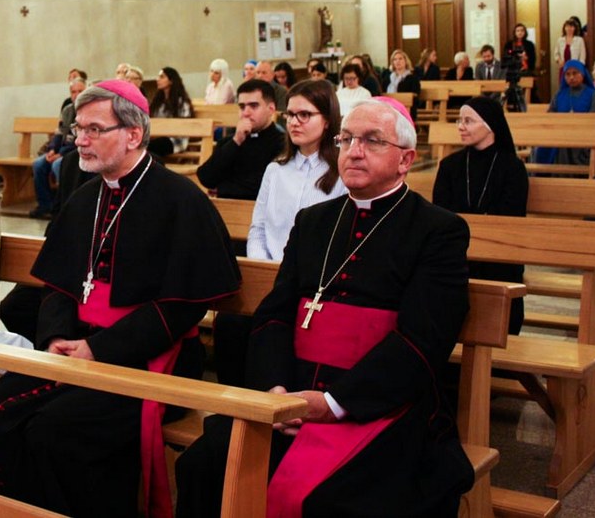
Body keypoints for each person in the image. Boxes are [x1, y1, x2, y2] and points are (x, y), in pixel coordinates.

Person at [176, 99, 473, 518]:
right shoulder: (314, 221)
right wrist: (275, 389)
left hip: (380, 404)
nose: (354, 150)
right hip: (291, 397)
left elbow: (423, 340)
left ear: (406, 160)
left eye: (372, 141)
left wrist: (333, 403)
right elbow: (274, 315)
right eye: (347, 139)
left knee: (333, 499)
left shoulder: (438, 232)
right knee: (204, 464)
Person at [0, 80, 240, 517]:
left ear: (133, 134)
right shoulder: (84, 198)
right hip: (75, 347)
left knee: (55, 432)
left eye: (94, 129)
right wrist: (56, 337)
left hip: (151, 360)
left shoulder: (181, 201)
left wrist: (100, 348)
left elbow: (184, 305)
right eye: (78, 129)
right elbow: (57, 285)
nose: (81, 141)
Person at [433, 97, 529, 333]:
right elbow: (440, 212)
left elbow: (511, 217)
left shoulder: (512, 167)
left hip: (499, 252)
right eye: (459, 120)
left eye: (469, 121)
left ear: (490, 125)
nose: (460, 126)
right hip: (457, 250)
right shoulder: (450, 166)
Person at [247, 79, 347, 264]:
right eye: (290, 114)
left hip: (318, 278)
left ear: (327, 120)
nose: (294, 122)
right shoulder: (275, 170)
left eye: (304, 114)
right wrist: (262, 265)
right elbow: (259, 230)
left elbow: (341, 240)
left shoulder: (344, 172)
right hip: (271, 271)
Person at [197, 79, 284, 201]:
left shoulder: (283, 143)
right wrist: (236, 141)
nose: (246, 113)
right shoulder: (231, 142)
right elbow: (205, 177)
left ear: (271, 109)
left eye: (254, 106)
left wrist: (224, 188)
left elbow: (267, 185)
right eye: (242, 107)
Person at [30, 77, 86, 219]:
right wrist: (52, 150)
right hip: (61, 151)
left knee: (58, 165)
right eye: (73, 92)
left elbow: (82, 137)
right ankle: (45, 205)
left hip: (78, 150)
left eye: (80, 91)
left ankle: (64, 206)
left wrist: (60, 154)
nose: (77, 94)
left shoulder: (88, 109)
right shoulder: (67, 110)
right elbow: (59, 133)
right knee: (38, 164)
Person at [534, 59, 595, 166]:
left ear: (583, 74)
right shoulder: (560, 94)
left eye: (575, 73)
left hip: (584, 136)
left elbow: (594, 118)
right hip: (560, 134)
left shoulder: (592, 95)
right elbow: (550, 114)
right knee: (540, 147)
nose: (571, 77)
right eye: (567, 74)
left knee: (564, 147)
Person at [147, 66, 195, 158]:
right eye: (158, 76)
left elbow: (183, 127)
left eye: (162, 77)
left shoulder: (181, 103)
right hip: (158, 137)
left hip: (176, 140)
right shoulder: (158, 102)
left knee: (153, 146)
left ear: (171, 80)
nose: (158, 79)